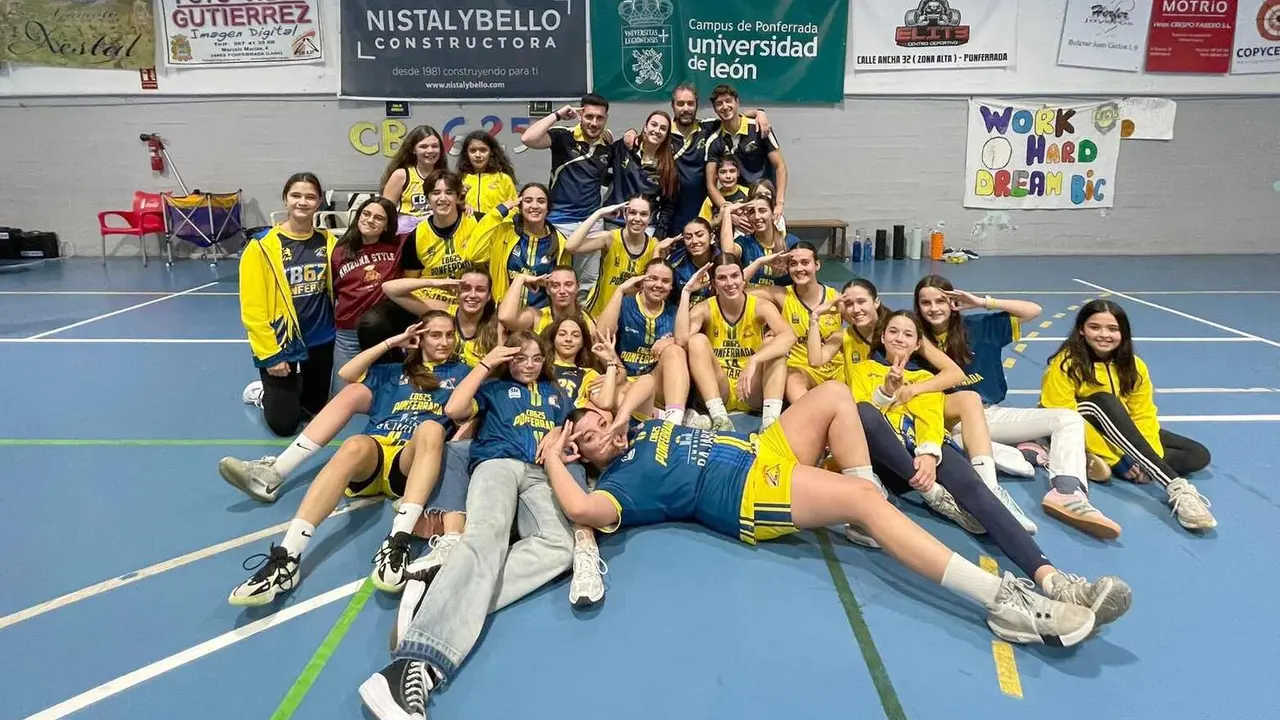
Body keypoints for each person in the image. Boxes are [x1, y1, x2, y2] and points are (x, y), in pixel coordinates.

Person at [555, 381, 1121, 652]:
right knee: (865, 502)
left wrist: (615, 415)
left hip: (759, 454)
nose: (602, 431)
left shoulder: (640, 426)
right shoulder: (622, 485)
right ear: (583, 453)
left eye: (600, 421)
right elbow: (581, 507)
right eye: (588, 437)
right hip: (742, 493)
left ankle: (859, 501)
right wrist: (559, 455)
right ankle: (1005, 603)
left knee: (833, 395)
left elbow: (646, 383)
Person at [359, 332, 583, 718]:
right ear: (507, 359)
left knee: (561, 547)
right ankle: (410, 665)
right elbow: (455, 408)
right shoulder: (494, 389)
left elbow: (570, 428)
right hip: (496, 464)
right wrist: (487, 364)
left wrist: (561, 437)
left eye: (534, 358)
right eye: (518, 358)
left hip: (541, 473)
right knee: (487, 538)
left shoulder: (557, 395)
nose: (527, 364)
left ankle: (442, 589)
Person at [227, 313, 473, 605]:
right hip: (375, 452)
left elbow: (468, 416)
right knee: (354, 444)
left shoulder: (462, 372)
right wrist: (392, 342)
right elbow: (346, 374)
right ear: (419, 337)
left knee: (431, 428)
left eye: (449, 335)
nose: (444, 341)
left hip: (409, 462)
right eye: (435, 334)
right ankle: (287, 557)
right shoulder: (393, 371)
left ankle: (397, 543)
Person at [915, 275, 1120, 539]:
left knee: (1068, 419)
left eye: (941, 301)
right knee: (976, 450)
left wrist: (981, 302)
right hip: (941, 426)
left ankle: (1067, 490)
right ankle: (1031, 454)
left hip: (989, 415)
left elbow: (1033, 310)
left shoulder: (978, 327)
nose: (934, 308)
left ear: (953, 301)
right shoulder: (914, 337)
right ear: (917, 306)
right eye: (926, 303)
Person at [1041, 300, 1216, 531]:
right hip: (1078, 425)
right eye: (1095, 327)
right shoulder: (1066, 364)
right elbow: (1061, 414)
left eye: (1112, 329)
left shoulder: (1134, 366)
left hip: (1122, 431)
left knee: (1197, 455)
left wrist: (1141, 458)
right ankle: (1177, 488)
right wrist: (1117, 458)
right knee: (1104, 401)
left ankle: (1124, 466)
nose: (1104, 335)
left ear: (1123, 333)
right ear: (1081, 330)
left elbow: (1143, 414)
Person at [239, 172, 337, 437]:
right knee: (285, 426)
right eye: (296, 195)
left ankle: (296, 388)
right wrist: (272, 354)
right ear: (285, 200)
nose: (302, 202)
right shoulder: (262, 247)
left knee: (314, 411)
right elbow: (253, 309)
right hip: (281, 341)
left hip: (320, 338)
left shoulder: (329, 242)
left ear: (319, 203)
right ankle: (262, 393)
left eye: (310, 196)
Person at [545, 315, 624, 606]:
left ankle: (585, 552)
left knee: (573, 466)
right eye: (562, 333)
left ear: (583, 342)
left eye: (575, 335)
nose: (567, 339)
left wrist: (612, 363)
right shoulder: (540, 369)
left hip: (576, 441)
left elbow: (604, 403)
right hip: (541, 435)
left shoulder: (588, 374)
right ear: (552, 337)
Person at [676, 257, 794, 431]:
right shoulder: (704, 308)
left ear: (743, 279)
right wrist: (686, 292)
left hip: (750, 387)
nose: (729, 283)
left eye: (734, 276)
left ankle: (770, 422)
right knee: (697, 340)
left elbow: (789, 337)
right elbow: (681, 340)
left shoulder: (761, 306)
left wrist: (755, 360)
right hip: (719, 388)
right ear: (714, 284)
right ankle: (720, 419)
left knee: (773, 344)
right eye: (722, 278)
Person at [519, 95, 615, 297]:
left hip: (591, 223)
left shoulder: (608, 145)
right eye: (589, 116)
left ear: (606, 119)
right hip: (558, 222)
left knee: (587, 283)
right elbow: (527, 138)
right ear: (580, 115)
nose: (594, 122)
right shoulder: (564, 137)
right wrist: (557, 115)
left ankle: (580, 325)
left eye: (600, 118)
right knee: (554, 280)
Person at [596, 260, 691, 424]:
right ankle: (659, 416)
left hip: (657, 384)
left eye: (665, 281)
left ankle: (672, 423)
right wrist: (620, 291)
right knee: (607, 397)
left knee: (676, 351)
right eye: (652, 278)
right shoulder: (625, 304)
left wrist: (672, 340)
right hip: (624, 382)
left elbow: (685, 342)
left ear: (671, 287)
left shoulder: (673, 312)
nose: (658, 285)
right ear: (641, 280)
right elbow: (602, 336)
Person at [746, 242, 843, 402]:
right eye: (793, 264)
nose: (799, 269)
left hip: (835, 369)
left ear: (817, 264)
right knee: (793, 381)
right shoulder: (782, 296)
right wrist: (760, 263)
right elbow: (735, 290)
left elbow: (867, 323)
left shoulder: (836, 298)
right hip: (800, 370)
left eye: (805, 262)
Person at [328, 197, 403, 384]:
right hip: (349, 334)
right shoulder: (339, 251)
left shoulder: (398, 246)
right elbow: (336, 289)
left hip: (382, 333)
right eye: (366, 214)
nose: (370, 220)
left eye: (379, 218)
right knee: (342, 394)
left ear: (387, 225)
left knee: (384, 391)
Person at [567, 195, 677, 318]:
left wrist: (657, 252)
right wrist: (599, 213)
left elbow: (654, 288)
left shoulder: (654, 246)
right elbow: (571, 246)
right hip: (600, 313)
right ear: (625, 214)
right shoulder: (610, 239)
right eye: (632, 212)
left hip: (631, 320)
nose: (637, 218)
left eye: (644, 214)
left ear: (650, 218)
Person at [383, 268, 503, 368]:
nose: (472, 295)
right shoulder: (442, 312)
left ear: (488, 296)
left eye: (480, 290)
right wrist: (433, 283)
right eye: (466, 288)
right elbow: (390, 289)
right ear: (457, 292)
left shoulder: (497, 325)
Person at [398, 170, 487, 304]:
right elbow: (412, 282)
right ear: (427, 199)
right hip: (431, 302)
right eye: (436, 193)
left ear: (458, 197)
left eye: (449, 193)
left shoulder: (480, 223)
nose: (443, 198)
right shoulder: (415, 236)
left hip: (472, 299)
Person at [477, 183, 570, 307]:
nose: (534, 206)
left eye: (541, 201)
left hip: (540, 319)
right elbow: (474, 254)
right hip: (502, 315)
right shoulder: (504, 233)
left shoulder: (560, 243)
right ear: (519, 207)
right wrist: (498, 212)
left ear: (548, 208)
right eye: (528, 201)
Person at [703, 84, 787, 218]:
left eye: (728, 101)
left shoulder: (759, 128)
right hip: (738, 208)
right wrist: (728, 211)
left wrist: (779, 203)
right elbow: (711, 185)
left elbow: (780, 166)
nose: (724, 107)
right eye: (719, 104)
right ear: (715, 109)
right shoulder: (714, 141)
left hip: (765, 203)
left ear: (737, 102)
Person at [604, 110, 677, 237]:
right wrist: (602, 135)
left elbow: (669, 205)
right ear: (645, 127)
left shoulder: (668, 166)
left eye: (663, 128)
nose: (657, 130)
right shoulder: (624, 147)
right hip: (613, 221)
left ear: (666, 135)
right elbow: (600, 164)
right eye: (653, 125)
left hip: (645, 226)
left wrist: (659, 233)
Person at [380, 125, 449, 234]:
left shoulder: (445, 176)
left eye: (435, 146)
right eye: (423, 146)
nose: (430, 150)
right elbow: (384, 211)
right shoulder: (401, 175)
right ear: (413, 150)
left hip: (437, 233)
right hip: (407, 235)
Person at [720, 194, 796, 287]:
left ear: (773, 214)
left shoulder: (791, 242)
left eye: (762, 211)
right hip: (751, 299)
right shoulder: (745, 242)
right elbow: (728, 254)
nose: (756, 216)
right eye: (751, 212)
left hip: (780, 300)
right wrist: (728, 212)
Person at [497, 266, 594, 336]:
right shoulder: (537, 317)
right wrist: (520, 279)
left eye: (568, 284)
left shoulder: (589, 322)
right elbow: (505, 317)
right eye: (555, 286)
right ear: (547, 289)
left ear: (577, 287)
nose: (562, 291)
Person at [454, 130, 518, 216]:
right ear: (466, 154)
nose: (477, 155)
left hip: (497, 228)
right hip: (469, 228)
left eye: (483, 150)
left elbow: (515, 208)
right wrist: (461, 205)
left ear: (491, 152)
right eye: (473, 150)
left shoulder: (503, 179)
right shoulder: (460, 179)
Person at [669, 217, 719, 306]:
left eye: (700, 235)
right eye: (688, 237)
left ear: (711, 237)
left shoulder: (723, 261)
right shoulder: (675, 263)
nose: (694, 241)